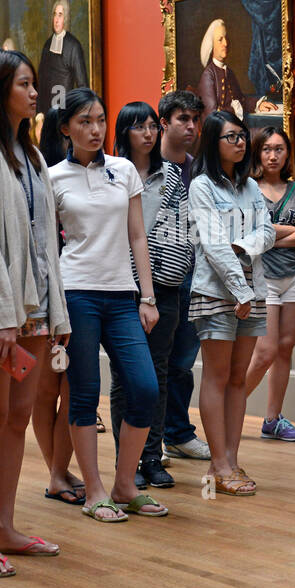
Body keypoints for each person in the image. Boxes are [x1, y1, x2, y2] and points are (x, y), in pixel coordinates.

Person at [0, 50, 71, 574]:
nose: (34, 93)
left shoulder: (31, 155)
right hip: (0, 314)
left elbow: (46, 241)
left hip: (35, 310)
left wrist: (58, 314)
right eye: (24, 84)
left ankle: (4, 525)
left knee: (19, 417)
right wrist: (5, 315)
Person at [49, 88, 167, 522]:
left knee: (145, 388)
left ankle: (124, 482)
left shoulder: (123, 171)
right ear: (66, 128)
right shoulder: (52, 178)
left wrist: (147, 296)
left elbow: (138, 236)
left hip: (122, 296)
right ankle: (93, 490)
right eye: (84, 121)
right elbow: (47, 248)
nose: (95, 129)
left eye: (99, 119)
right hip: (75, 292)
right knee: (84, 394)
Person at [188, 110, 275, 495]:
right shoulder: (203, 185)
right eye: (231, 137)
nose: (240, 143)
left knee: (239, 379)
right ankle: (219, 463)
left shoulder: (251, 187)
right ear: (213, 141)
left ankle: (231, 460)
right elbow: (212, 243)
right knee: (217, 376)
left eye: (242, 136)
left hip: (252, 291)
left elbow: (268, 231)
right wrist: (239, 289)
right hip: (217, 292)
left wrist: (245, 246)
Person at [109, 101, 194, 489]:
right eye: (138, 126)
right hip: (118, 284)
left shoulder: (173, 176)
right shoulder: (109, 173)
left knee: (158, 373)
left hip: (165, 287)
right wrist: (135, 275)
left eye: (151, 126)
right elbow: (111, 230)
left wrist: (159, 278)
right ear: (124, 131)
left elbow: (181, 230)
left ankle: (152, 455)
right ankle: (123, 459)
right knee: (124, 376)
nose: (147, 133)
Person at [29, 103, 87, 504]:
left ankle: (58, 470)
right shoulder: (43, 174)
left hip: (76, 291)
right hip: (48, 292)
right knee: (48, 386)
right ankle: (56, 471)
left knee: (67, 385)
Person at [243, 126, 295, 442]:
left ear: (287, 154)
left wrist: (272, 235)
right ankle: (231, 407)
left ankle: (273, 418)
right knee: (265, 352)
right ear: (258, 153)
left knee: (285, 349)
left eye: (279, 149)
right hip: (263, 278)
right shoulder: (246, 188)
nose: (273, 155)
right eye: (267, 149)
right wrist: (286, 230)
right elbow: (250, 235)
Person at [157, 90, 213, 462]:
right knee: (153, 363)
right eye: (183, 119)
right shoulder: (143, 166)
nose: (192, 126)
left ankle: (177, 433)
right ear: (164, 123)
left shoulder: (200, 168)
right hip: (155, 279)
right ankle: (146, 444)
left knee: (182, 363)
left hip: (194, 275)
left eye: (195, 119)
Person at [196, 19, 278, 118]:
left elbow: (241, 100)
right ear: (211, 45)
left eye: (226, 38)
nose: (225, 43)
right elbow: (212, 115)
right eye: (220, 39)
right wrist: (235, 110)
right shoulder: (208, 75)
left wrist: (258, 104)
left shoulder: (229, 72)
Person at [37, 0, 88, 107]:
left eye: (60, 15)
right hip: (46, 109)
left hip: (65, 108)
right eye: (55, 14)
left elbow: (82, 85)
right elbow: (41, 82)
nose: (56, 20)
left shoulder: (73, 45)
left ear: (66, 18)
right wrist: (39, 115)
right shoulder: (47, 45)